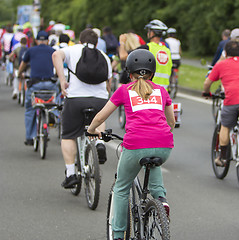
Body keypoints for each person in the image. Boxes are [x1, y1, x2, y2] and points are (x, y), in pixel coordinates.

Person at [87, 49, 175, 240]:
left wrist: (92, 130)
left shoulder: (124, 90)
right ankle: (160, 200)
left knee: (121, 188)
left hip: (135, 145)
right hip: (164, 145)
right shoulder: (161, 91)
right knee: (154, 161)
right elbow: (171, 123)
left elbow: (101, 116)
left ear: (129, 72)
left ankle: (118, 235)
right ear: (152, 72)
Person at [52, 29, 112, 188]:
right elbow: (109, 83)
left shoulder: (73, 50)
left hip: (76, 99)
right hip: (100, 100)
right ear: (97, 42)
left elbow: (56, 55)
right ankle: (100, 143)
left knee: (68, 135)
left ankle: (71, 174)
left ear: (80, 40)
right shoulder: (103, 56)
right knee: (99, 118)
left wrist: (62, 79)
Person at [203, 40, 239, 166]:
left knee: (225, 125)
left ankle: (223, 158)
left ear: (225, 52)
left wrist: (206, 92)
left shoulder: (221, 65)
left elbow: (207, 83)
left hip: (233, 99)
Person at [18, 31, 58, 146]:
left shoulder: (30, 51)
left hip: (35, 84)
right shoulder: (52, 51)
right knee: (56, 101)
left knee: (30, 108)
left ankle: (30, 137)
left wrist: (19, 74)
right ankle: (53, 115)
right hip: (50, 84)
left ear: (36, 40)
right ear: (47, 41)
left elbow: (23, 65)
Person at [119, 19, 173, 89]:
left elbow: (123, 56)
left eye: (149, 31)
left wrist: (122, 42)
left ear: (152, 33)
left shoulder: (147, 48)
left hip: (150, 88)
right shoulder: (167, 50)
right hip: (164, 90)